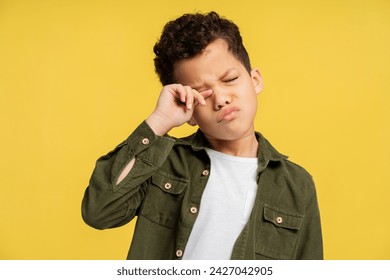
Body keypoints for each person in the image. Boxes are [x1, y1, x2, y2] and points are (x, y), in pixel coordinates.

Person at [81, 11, 323, 260]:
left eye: (230, 79)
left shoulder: (297, 186)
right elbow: (99, 211)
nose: (220, 98)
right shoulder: (164, 162)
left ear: (255, 80)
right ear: (189, 112)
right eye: (202, 94)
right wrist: (160, 121)